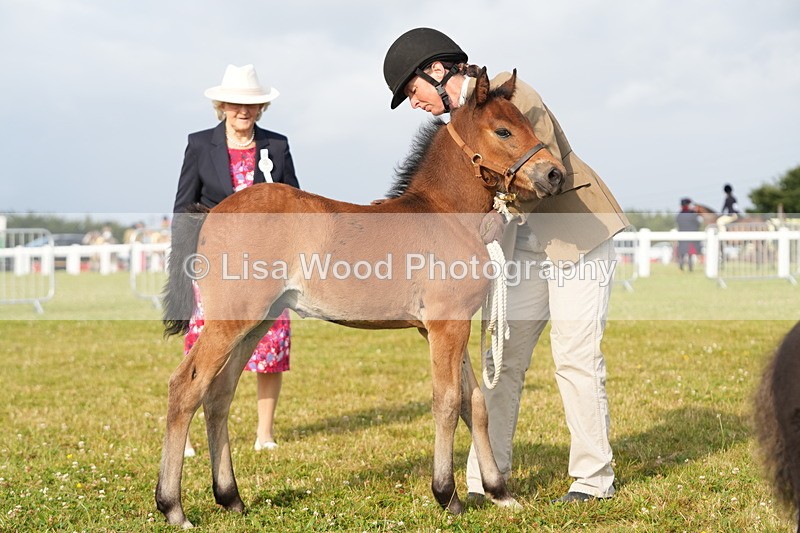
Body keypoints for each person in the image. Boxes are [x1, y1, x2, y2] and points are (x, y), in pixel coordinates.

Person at [383, 28, 629, 503]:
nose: (413, 104)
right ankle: (485, 479)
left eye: (411, 91)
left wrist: (492, 208)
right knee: (500, 363)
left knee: (575, 358)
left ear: (437, 72)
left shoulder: (508, 94)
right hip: (521, 250)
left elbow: (541, 169)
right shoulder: (456, 127)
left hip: (578, 236)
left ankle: (593, 480)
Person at [174, 64, 299, 456]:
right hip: (217, 261)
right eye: (235, 104)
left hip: (270, 264)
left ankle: (264, 432)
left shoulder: (276, 146)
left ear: (261, 108)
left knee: (272, 342)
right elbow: (184, 206)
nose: (243, 111)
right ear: (222, 105)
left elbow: (297, 202)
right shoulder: (199, 144)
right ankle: (188, 427)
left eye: (251, 104)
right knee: (207, 341)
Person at [676, 198, 702, 271]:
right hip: (691, 237)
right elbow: (698, 224)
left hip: (682, 237)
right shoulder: (692, 215)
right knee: (690, 254)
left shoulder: (679, 215)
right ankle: (690, 268)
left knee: (682, 254)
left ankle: (681, 267)